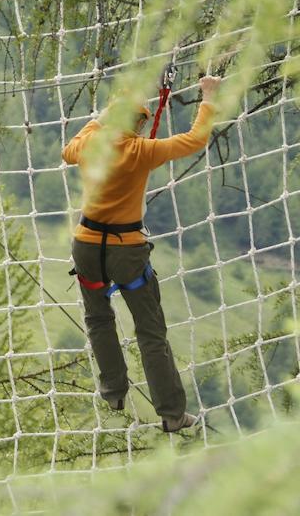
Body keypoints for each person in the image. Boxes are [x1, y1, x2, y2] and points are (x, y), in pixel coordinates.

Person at [62, 75, 221, 432]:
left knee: (98, 318)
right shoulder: (142, 151)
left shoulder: (90, 144)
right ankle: (171, 413)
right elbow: (195, 139)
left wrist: (100, 119)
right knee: (150, 332)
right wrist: (208, 97)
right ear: (139, 121)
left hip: (86, 246)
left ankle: (113, 391)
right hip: (127, 252)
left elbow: (67, 149)